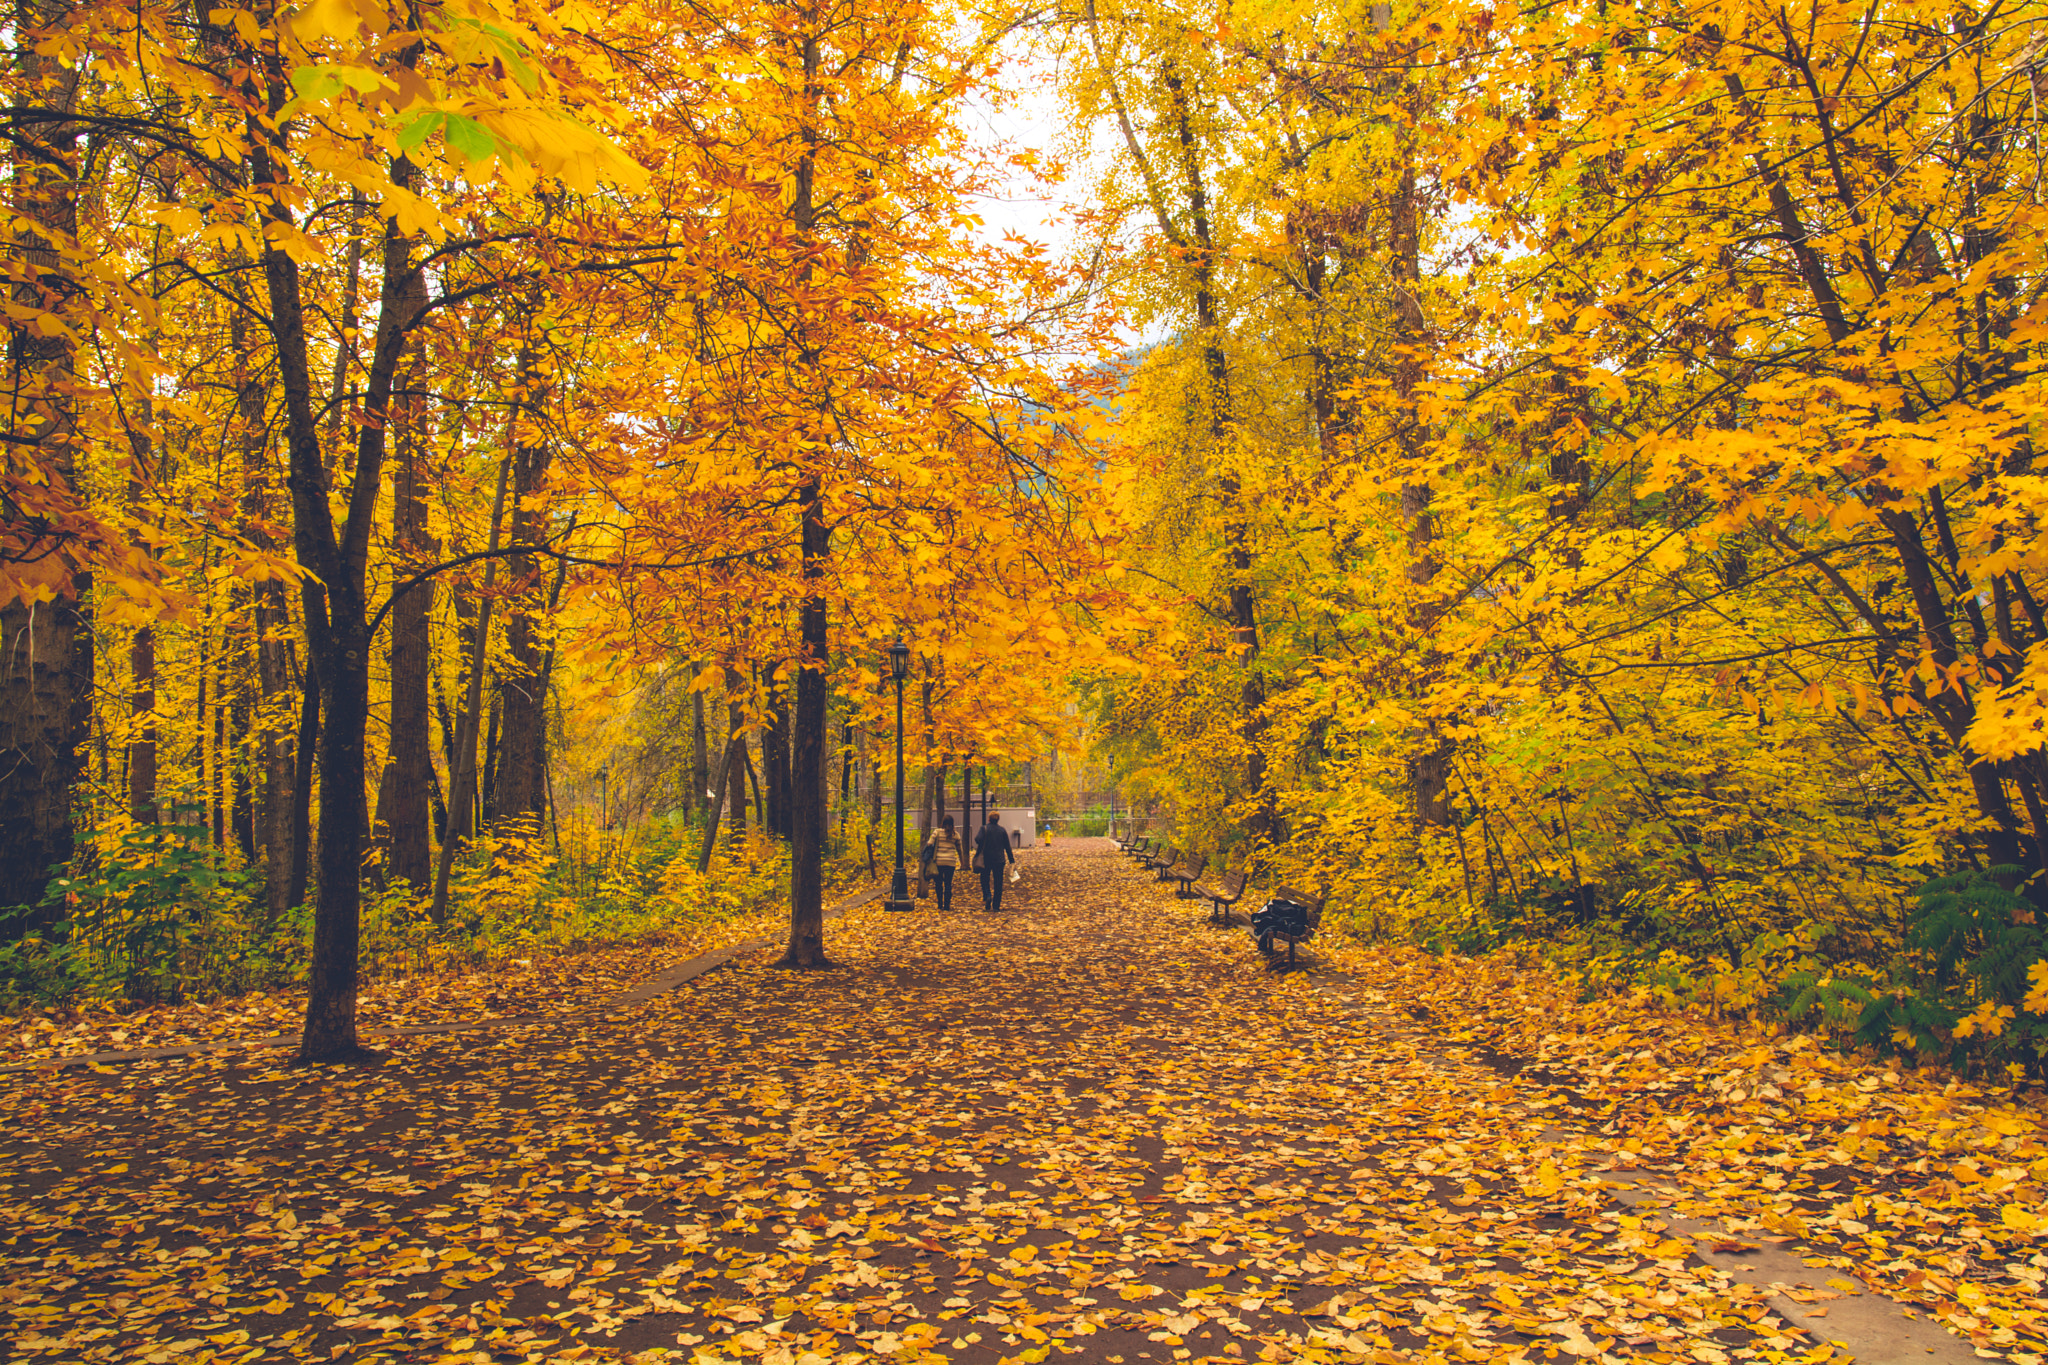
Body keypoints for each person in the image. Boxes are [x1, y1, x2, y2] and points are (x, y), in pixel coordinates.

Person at [975, 812, 1015, 911]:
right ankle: (996, 906)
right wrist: (1012, 860)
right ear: (998, 819)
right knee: (998, 882)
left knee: (984, 879)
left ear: (989, 819)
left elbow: (977, 839)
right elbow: (1007, 846)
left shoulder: (984, 829)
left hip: (986, 859)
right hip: (999, 860)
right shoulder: (1002, 830)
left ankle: (987, 895)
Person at [924, 815, 964, 912]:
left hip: (939, 862)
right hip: (950, 863)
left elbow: (929, 843)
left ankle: (939, 904)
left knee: (938, 883)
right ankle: (947, 905)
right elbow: (960, 850)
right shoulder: (956, 835)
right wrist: (962, 862)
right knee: (948, 884)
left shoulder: (937, 832)